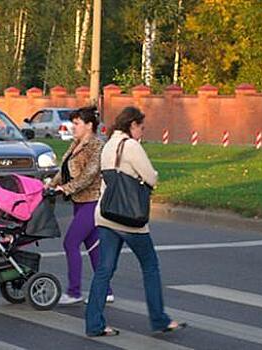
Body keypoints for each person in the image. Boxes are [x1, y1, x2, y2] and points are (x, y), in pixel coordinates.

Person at [85, 107, 186, 336]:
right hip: (130, 219)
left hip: (106, 215)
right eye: (141, 127)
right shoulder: (130, 146)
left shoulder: (108, 144)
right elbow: (151, 176)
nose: (142, 132)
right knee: (150, 266)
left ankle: (94, 324)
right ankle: (159, 319)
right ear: (132, 125)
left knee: (104, 271)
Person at [46, 107, 113, 305]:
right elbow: (63, 169)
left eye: (76, 123)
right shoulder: (76, 144)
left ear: (89, 125)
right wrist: (50, 185)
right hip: (78, 201)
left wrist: (64, 189)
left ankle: (74, 292)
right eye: (73, 123)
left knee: (70, 243)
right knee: (93, 247)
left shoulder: (97, 146)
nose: (72, 127)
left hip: (93, 201)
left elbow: (88, 175)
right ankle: (107, 290)